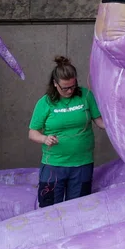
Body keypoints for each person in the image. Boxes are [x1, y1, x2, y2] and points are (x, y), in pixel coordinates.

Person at [28, 56, 105, 207]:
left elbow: (100, 121)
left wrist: (118, 125)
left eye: (73, 86)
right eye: (65, 88)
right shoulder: (45, 102)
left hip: (82, 163)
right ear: (55, 84)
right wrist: (44, 139)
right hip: (54, 165)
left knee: (78, 209)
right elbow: (32, 133)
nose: (70, 90)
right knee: (49, 209)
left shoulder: (86, 95)